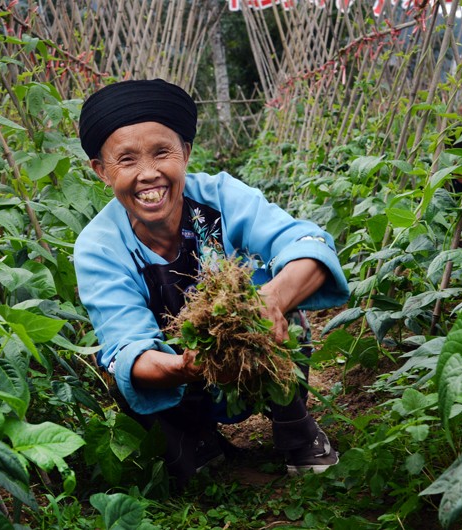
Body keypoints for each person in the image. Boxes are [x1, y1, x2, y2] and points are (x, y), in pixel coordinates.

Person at [73, 79, 351, 488]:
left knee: (287, 310)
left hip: (257, 355)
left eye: (162, 152)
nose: (148, 174)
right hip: (179, 370)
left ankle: (295, 427)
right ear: (101, 170)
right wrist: (185, 366)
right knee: (122, 368)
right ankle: (194, 438)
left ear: (185, 152)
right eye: (126, 160)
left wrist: (271, 300)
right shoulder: (100, 246)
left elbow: (307, 244)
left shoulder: (220, 197)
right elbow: (127, 344)